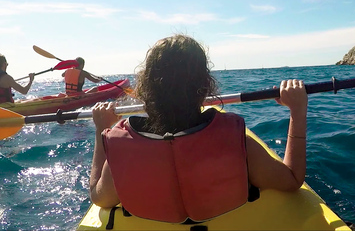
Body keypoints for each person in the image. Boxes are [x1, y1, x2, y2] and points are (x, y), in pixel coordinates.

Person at [89, 34, 308, 223]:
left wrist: (102, 130)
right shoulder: (234, 142)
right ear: (205, 86)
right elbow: (292, 179)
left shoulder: (122, 148)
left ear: (147, 88)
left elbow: (100, 198)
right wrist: (297, 111)